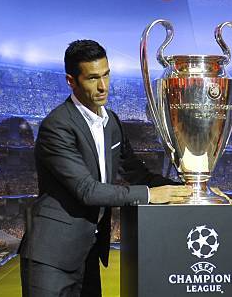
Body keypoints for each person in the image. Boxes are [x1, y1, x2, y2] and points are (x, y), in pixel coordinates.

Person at [19, 39, 191, 296]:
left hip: (87, 252)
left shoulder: (112, 123)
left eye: (106, 75)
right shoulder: (57, 126)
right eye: (92, 78)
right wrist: (148, 196)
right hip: (51, 257)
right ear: (71, 81)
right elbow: (87, 190)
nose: (103, 87)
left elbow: (137, 173)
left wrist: (191, 189)